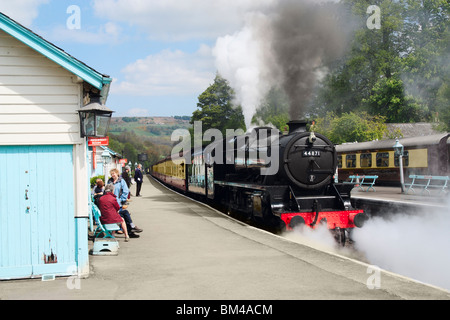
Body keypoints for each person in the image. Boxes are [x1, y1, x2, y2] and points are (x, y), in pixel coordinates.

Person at [108, 168, 143, 236]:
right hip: (111, 203)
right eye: (111, 174)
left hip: (118, 202)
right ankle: (130, 229)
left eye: (113, 174)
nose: (112, 175)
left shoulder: (121, 181)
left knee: (123, 214)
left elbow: (126, 191)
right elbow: (107, 190)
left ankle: (128, 229)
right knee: (123, 215)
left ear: (117, 174)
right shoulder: (109, 181)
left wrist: (121, 199)